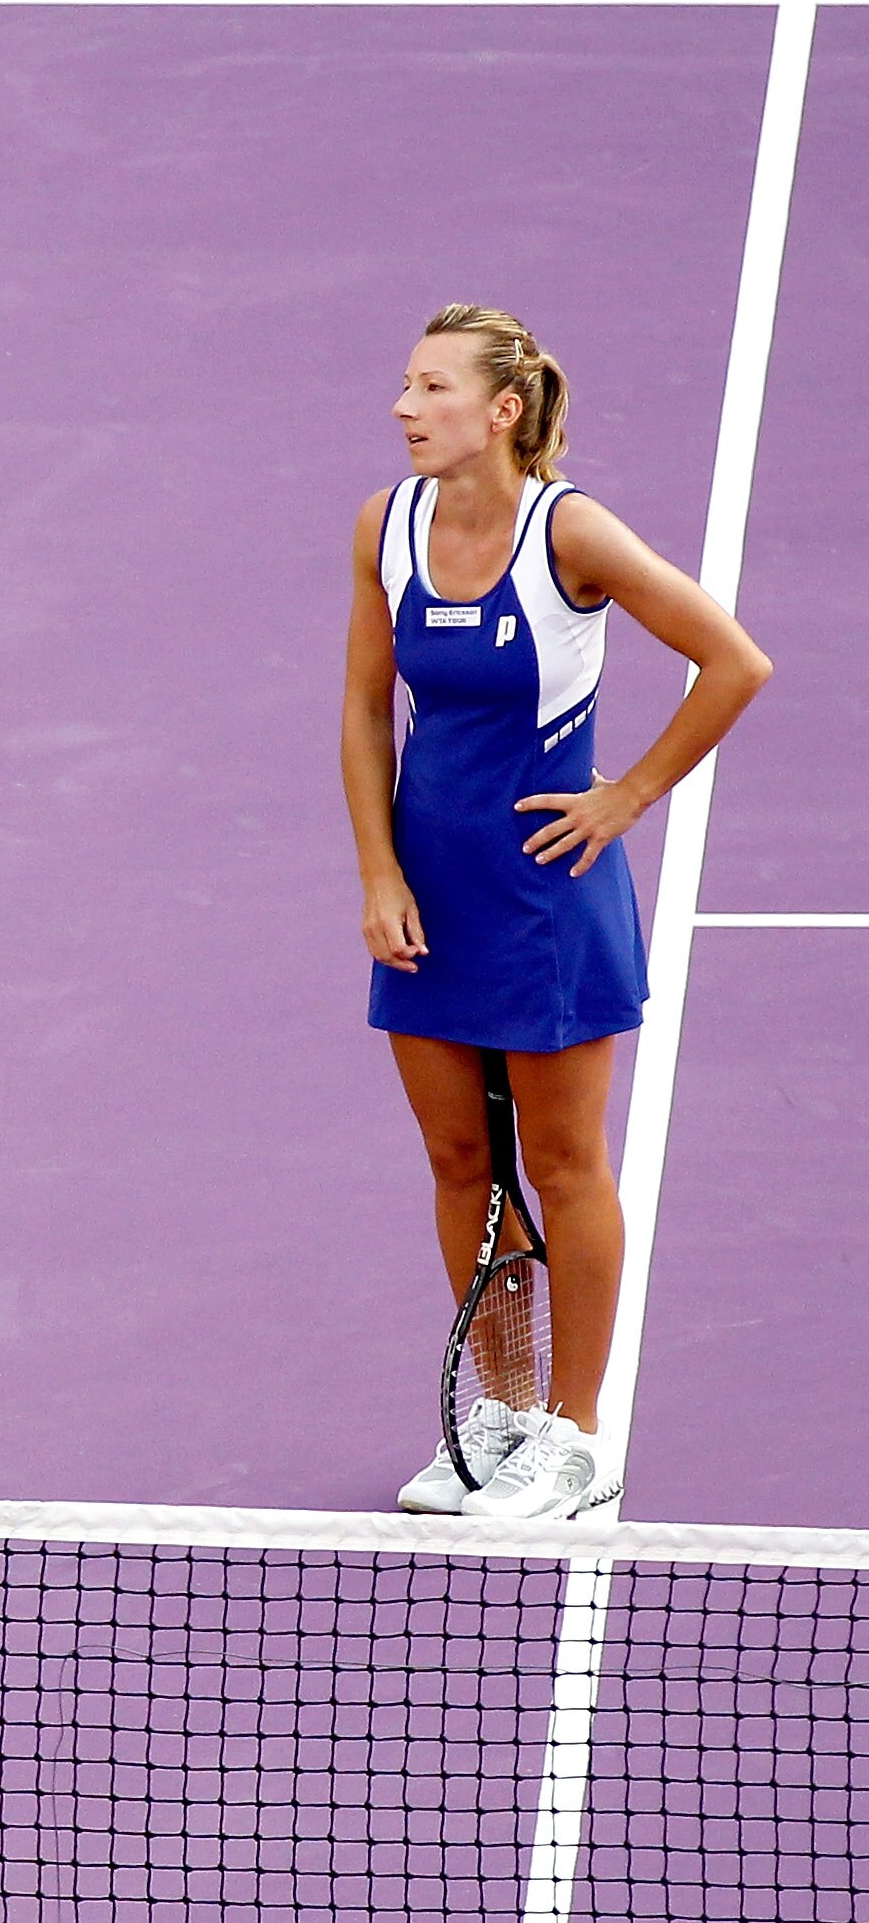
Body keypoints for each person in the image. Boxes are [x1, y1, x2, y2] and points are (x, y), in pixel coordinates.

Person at [345, 304, 770, 1520]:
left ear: (502, 409)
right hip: (429, 897)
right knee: (459, 1158)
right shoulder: (389, 524)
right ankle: (509, 1407)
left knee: (567, 1161)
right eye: (406, 383)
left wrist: (626, 796)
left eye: (429, 387)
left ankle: (578, 1434)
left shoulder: (569, 531)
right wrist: (379, 871)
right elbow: (366, 710)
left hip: (543, 897)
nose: (403, 406)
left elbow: (734, 658)